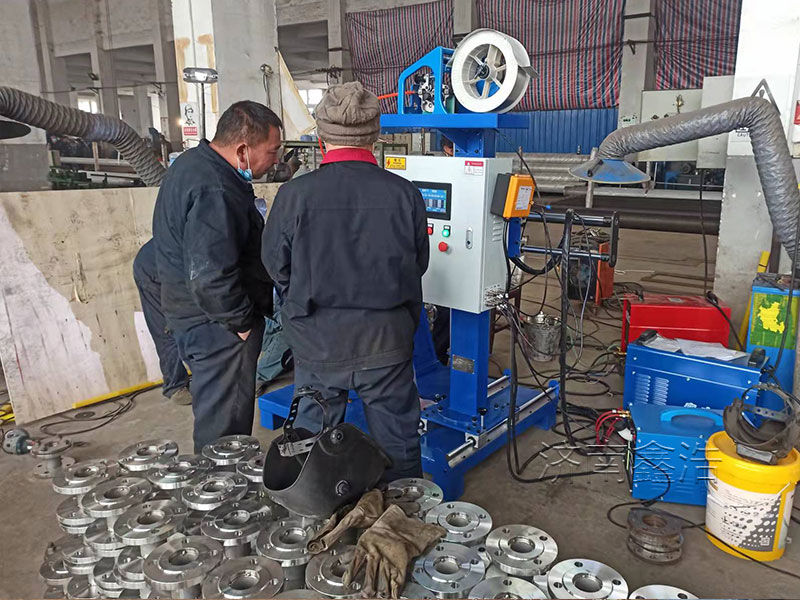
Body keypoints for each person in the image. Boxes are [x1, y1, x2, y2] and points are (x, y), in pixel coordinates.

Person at [262, 82, 429, 481]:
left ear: (322, 139)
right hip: (385, 341)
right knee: (399, 447)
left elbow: (275, 265)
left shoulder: (294, 195)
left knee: (309, 447)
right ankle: (403, 512)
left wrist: (304, 299)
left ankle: (313, 511)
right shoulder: (405, 195)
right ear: (375, 138)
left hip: (316, 342)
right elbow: (417, 266)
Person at [152, 100, 282, 452]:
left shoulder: (192, 164)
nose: (275, 161)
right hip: (217, 327)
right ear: (242, 150)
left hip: (193, 316)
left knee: (215, 410)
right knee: (225, 428)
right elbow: (210, 275)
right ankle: (220, 484)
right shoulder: (216, 190)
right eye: (272, 151)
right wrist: (241, 323)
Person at [133, 239, 192, 405]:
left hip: (164, 263)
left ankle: (206, 378)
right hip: (151, 270)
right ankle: (175, 386)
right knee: (166, 329)